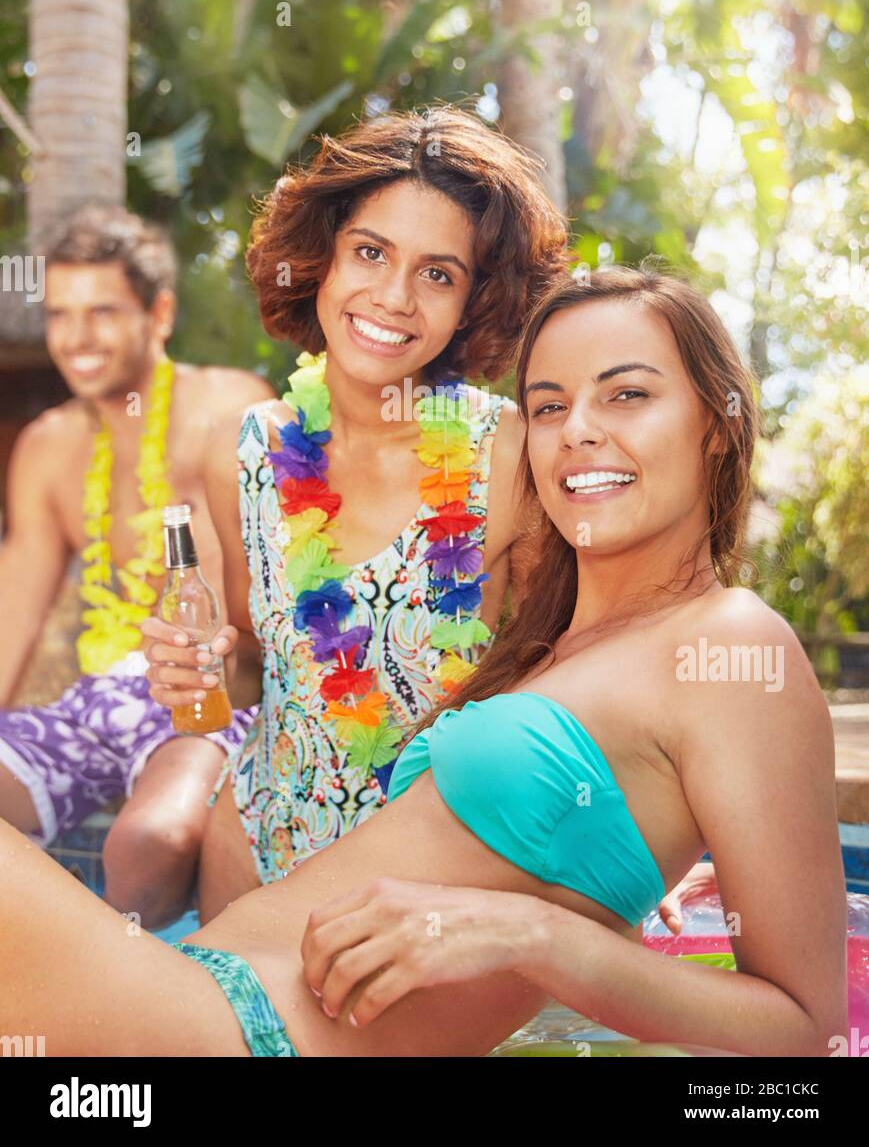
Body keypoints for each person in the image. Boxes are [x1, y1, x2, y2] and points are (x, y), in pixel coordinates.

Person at [0, 263, 845, 1057]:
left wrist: (536, 937)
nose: (578, 430)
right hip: (198, 985)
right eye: (547, 408)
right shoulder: (541, 648)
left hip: (240, 1029)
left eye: (626, 395)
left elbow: (806, 1027)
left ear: (718, 422)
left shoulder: (730, 640)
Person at [141, 104, 571, 920]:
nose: (393, 296)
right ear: (322, 262)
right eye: (370, 253)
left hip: (426, 892)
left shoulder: (508, 455)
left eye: (437, 273)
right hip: (256, 855)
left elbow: (563, 682)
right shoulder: (246, 450)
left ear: (474, 300)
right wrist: (192, 663)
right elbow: (251, 669)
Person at [0, 205, 272, 928]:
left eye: (103, 312)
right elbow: (13, 614)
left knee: (150, 841)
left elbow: (257, 613)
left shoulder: (232, 407)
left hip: (210, 700)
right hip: (96, 705)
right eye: (60, 314)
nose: (77, 339)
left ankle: (131, 1008)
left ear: (159, 314)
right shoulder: (48, 445)